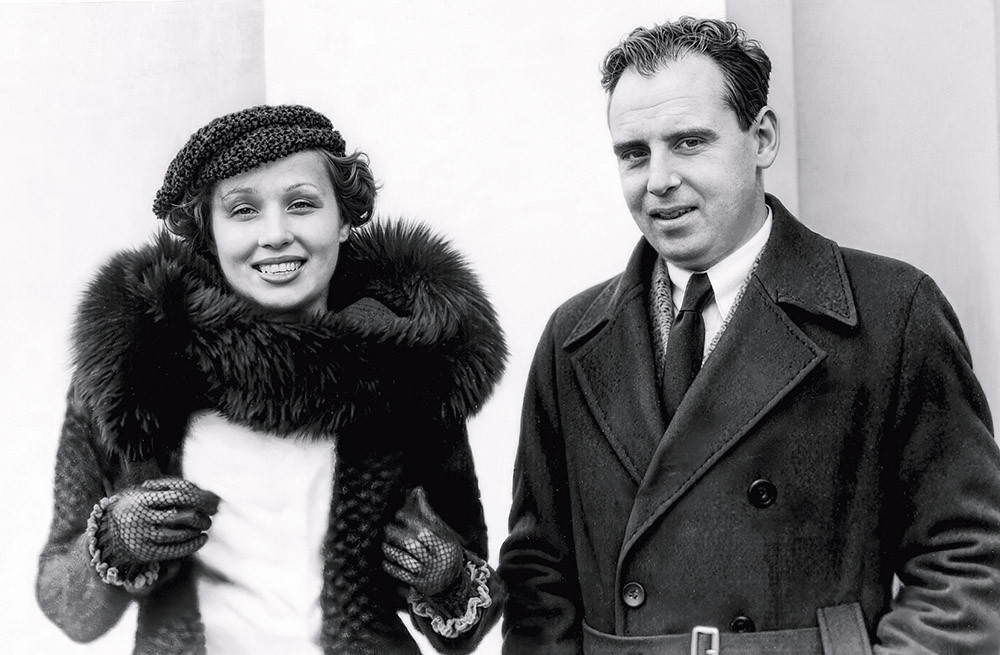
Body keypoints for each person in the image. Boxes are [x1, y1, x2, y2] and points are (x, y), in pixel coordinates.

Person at [499, 17, 1000, 655]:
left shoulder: (891, 314)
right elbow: (538, 581)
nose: (658, 180)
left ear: (761, 138)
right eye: (633, 153)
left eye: (688, 143)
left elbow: (969, 560)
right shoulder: (573, 339)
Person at [37, 104, 507, 655]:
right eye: (243, 211)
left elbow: (469, 624)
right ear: (208, 232)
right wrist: (115, 540)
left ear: (344, 218)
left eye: (302, 204)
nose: (276, 234)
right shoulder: (135, 368)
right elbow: (68, 610)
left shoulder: (407, 368)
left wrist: (447, 579)